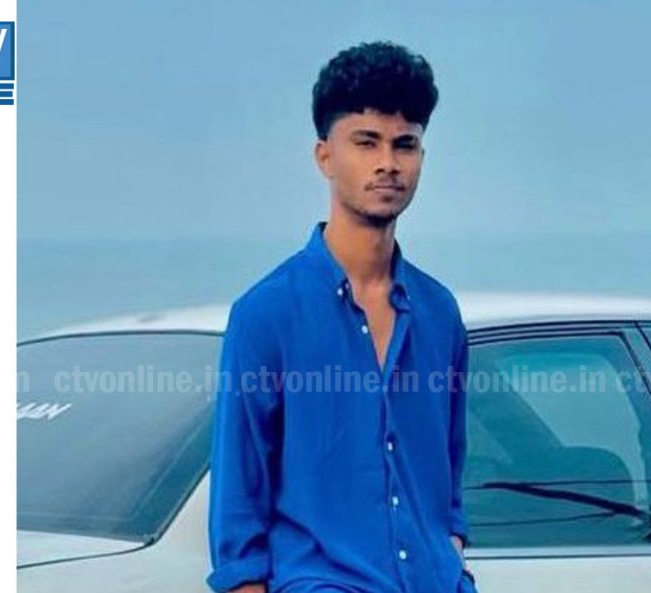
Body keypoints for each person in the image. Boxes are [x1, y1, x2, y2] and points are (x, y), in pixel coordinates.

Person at [207, 41, 476, 593]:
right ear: (325, 156)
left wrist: (453, 552)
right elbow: (238, 511)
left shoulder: (439, 313)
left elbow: (449, 470)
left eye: (405, 145)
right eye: (366, 142)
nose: (388, 163)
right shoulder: (266, 315)